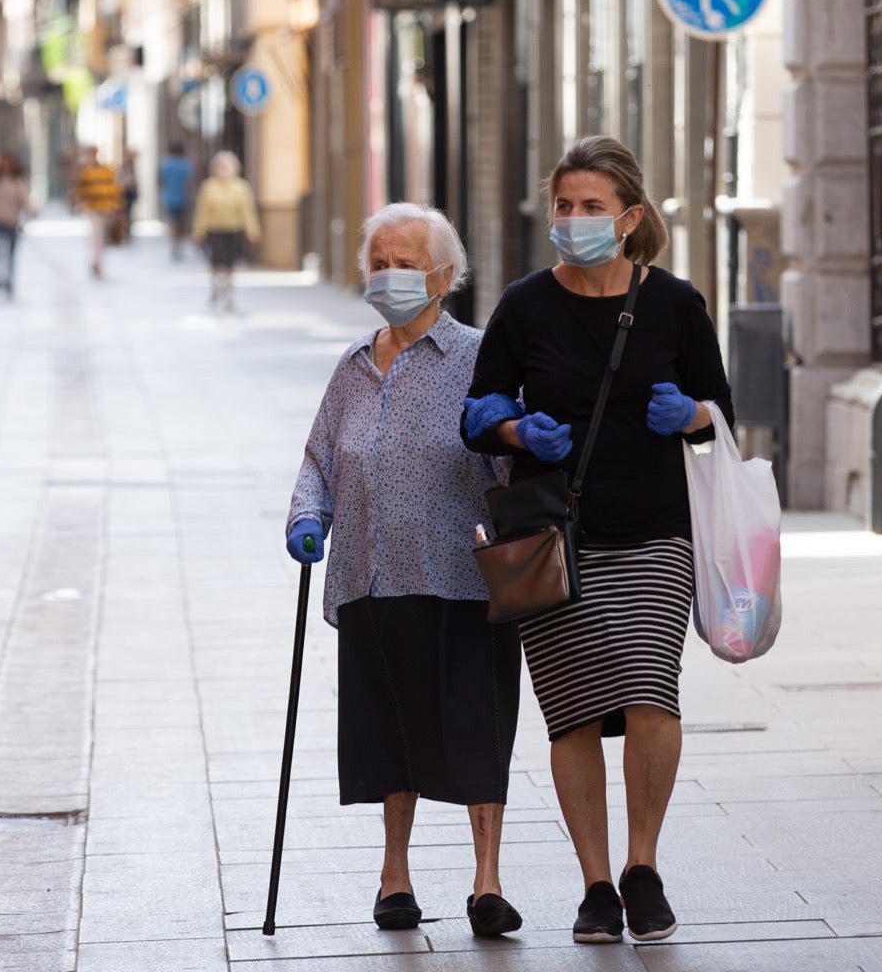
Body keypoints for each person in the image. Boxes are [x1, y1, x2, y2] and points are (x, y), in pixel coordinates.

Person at [460, 136, 733, 945]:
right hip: (554, 540)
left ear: (630, 218)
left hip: (654, 531)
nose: (574, 220)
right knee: (574, 713)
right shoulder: (523, 306)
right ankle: (596, 885)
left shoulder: (676, 304)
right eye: (565, 207)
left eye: (591, 208)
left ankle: (643, 868)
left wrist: (686, 414)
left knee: (652, 692)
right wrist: (513, 427)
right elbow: (476, 412)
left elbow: (722, 411)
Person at [286, 203, 523, 938]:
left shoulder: (480, 360)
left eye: (404, 261)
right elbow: (320, 459)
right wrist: (305, 517)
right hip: (370, 577)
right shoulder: (353, 366)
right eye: (378, 261)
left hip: (462, 578)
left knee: (476, 727)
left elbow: (514, 463)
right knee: (389, 731)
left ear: (444, 275)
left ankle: (487, 883)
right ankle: (395, 876)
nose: (388, 274)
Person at [190, 151, 260, 312]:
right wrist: (198, 232)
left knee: (229, 264)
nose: (224, 168)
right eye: (221, 165)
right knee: (215, 262)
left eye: (227, 165)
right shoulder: (209, 187)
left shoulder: (240, 187)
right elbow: (202, 211)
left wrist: (253, 231)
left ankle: (228, 293)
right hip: (214, 230)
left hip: (233, 230)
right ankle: (215, 287)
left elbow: (248, 211)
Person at [0, 153, 35, 298]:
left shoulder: (18, 180)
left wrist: (33, 211)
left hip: (12, 222)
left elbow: (25, 198)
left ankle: (9, 283)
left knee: (11, 256)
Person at [72, 146, 123, 278]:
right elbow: (80, 191)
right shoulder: (86, 173)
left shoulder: (107, 171)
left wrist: (115, 206)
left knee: (101, 238)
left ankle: (98, 263)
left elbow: (114, 189)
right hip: (93, 209)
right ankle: (96, 263)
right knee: (96, 237)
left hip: (105, 209)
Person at [159, 141, 194, 260]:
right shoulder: (185, 165)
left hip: (169, 197)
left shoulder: (166, 164)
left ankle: (174, 244)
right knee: (180, 222)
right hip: (182, 197)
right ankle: (178, 244)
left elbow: (160, 181)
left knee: (172, 221)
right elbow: (188, 183)